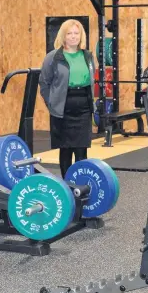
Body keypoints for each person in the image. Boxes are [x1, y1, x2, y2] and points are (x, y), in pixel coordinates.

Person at [39, 19, 95, 178]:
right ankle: (67, 185)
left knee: (81, 149)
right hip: (63, 108)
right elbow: (44, 82)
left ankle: (80, 185)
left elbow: (91, 81)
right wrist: (52, 103)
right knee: (66, 148)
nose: (73, 36)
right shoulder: (53, 57)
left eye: (76, 33)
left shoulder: (88, 56)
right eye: (69, 33)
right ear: (63, 36)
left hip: (84, 106)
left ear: (81, 36)